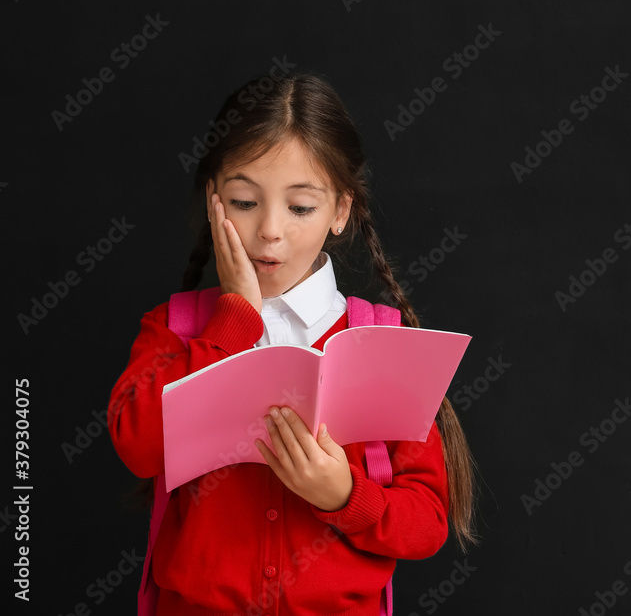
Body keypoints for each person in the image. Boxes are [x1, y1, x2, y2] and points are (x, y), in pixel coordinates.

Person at [108, 72, 476, 615]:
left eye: (300, 207)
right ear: (214, 202)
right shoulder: (177, 328)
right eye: (243, 200)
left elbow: (426, 524)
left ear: (341, 211)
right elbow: (137, 448)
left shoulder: (385, 342)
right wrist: (231, 321)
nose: (270, 230)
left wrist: (345, 497)